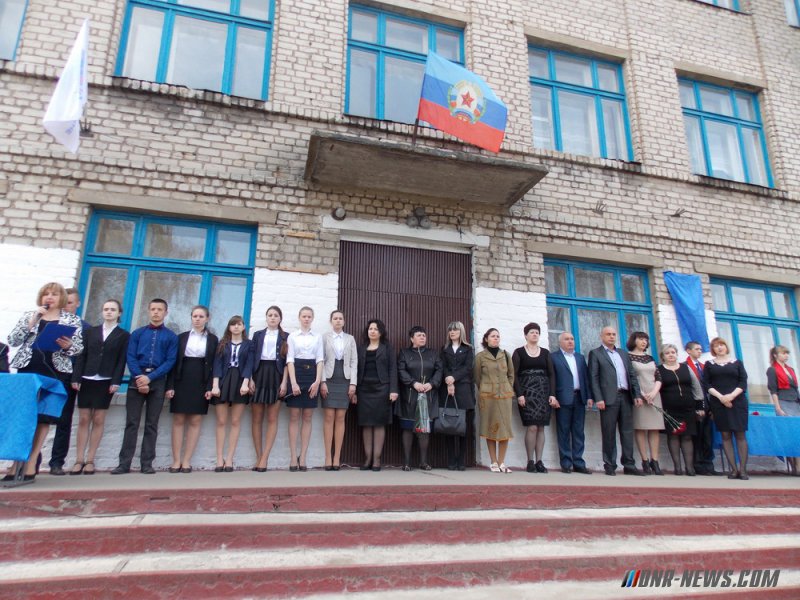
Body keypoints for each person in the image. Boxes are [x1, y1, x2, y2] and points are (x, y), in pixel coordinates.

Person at [6, 282, 83, 481]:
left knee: (43, 416)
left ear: (62, 299)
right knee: (23, 416)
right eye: (46, 294)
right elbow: (13, 340)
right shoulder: (30, 316)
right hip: (28, 369)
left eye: (54, 294)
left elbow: (78, 349)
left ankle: (31, 461)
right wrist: (31, 322)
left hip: (54, 371)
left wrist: (68, 346)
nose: (49, 297)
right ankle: (15, 464)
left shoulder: (71, 320)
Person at [111, 298, 178, 475]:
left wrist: (150, 378)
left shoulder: (171, 337)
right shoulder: (137, 334)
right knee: (131, 423)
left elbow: (170, 361)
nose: (156, 312)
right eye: (153, 309)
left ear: (166, 312)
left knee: (151, 424)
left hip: (157, 381)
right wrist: (140, 377)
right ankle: (124, 463)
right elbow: (130, 356)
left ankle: (146, 463)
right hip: (136, 379)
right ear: (148, 311)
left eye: (160, 309)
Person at [69, 299, 129, 475]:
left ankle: (90, 460)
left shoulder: (123, 335)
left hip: (106, 379)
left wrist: (116, 381)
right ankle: (79, 459)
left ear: (119, 313)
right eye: (106, 309)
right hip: (87, 377)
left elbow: (121, 360)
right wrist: (76, 377)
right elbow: (82, 355)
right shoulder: (90, 331)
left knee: (99, 419)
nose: (109, 312)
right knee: (84, 418)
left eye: (112, 309)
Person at [165, 306, 218, 474]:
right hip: (182, 379)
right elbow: (172, 363)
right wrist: (170, 385)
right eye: (194, 316)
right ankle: (176, 460)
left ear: (207, 319)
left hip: (200, 381)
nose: (197, 319)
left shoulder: (213, 339)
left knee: (195, 420)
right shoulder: (180, 338)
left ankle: (187, 460)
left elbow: (214, 365)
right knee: (179, 419)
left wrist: (210, 386)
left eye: (201, 316)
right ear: (191, 318)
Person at [587, 326, 644, 476]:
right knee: (609, 432)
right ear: (602, 336)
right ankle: (610, 464)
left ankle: (629, 464)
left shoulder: (623, 354)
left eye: (613, 334)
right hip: (608, 399)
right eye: (608, 334)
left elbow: (632, 375)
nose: (611, 337)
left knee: (627, 432)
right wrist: (598, 398)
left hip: (625, 396)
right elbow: (593, 378)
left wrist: (637, 395)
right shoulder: (596, 354)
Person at [48, 287, 91, 476]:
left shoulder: (84, 327)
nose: (67, 306)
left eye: (70, 303)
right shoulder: (48, 321)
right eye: (64, 302)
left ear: (78, 304)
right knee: (36, 418)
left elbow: (83, 356)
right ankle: (28, 461)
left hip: (67, 376)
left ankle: (57, 462)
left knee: (63, 420)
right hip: (46, 372)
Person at [512, 323, 558, 473]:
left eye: (537, 332)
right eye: (531, 332)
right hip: (527, 394)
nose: (534, 334)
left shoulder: (545, 353)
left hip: (543, 393)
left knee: (541, 427)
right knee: (531, 426)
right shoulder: (518, 352)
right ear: (525, 335)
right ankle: (530, 460)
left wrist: (552, 394)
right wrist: (519, 394)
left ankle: (539, 461)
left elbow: (551, 374)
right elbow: (514, 375)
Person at [653, 343, 703, 476]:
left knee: (687, 437)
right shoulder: (659, 370)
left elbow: (696, 386)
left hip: (688, 407)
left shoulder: (686, 368)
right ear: (663, 356)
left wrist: (699, 406)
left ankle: (689, 468)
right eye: (667, 353)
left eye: (673, 352)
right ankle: (678, 468)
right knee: (673, 436)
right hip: (670, 409)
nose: (671, 355)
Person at [210, 315, 253, 472]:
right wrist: (215, 385)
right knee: (221, 421)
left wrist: (246, 383)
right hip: (223, 381)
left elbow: (249, 364)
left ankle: (229, 459)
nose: (236, 327)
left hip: (240, 381)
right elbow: (217, 365)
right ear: (229, 327)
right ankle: (219, 458)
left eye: (239, 324)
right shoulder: (223, 344)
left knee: (235, 421)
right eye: (233, 324)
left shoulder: (249, 344)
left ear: (243, 327)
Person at [703, 337, 749, 480]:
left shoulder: (737, 362)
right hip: (718, 403)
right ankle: (733, 470)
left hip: (738, 402)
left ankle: (743, 470)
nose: (720, 348)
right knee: (725, 435)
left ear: (726, 346)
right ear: (713, 349)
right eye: (716, 346)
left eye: (722, 345)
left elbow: (743, 382)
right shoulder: (709, 364)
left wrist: (730, 396)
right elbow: (706, 384)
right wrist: (722, 398)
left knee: (740, 435)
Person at [397, 326, 442, 471]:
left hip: (428, 395)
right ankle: (407, 462)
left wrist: (432, 383)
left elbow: (439, 370)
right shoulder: (404, 353)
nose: (422, 337)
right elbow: (401, 370)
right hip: (410, 395)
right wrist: (413, 383)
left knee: (424, 429)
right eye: (419, 335)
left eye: (424, 335)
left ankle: (423, 462)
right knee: (408, 428)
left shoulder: (433, 353)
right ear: (412, 339)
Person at [250, 306, 289, 472]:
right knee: (257, 418)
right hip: (259, 374)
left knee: (272, 417)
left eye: (276, 315)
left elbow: (288, 361)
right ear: (266, 318)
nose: (272, 318)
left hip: (276, 375)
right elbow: (251, 358)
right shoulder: (257, 335)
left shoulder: (286, 336)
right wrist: (250, 379)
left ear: (280, 318)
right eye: (270, 315)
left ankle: (265, 458)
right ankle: (258, 456)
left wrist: (284, 382)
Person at [355, 319, 398, 471]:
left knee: (379, 423)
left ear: (381, 332)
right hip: (364, 390)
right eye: (370, 328)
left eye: (375, 329)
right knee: (366, 423)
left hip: (382, 389)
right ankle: (367, 459)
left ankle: (377, 460)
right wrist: (354, 390)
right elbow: (356, 369)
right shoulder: (361, 348)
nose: (372, 331)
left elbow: (393, 369)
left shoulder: (387, 348)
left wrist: (393, 390)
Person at [286, 306, 324, 471]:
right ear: (299, 317)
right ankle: (293, 457)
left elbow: (320, 359)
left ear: (312, 318)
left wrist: (317, 382)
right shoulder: (292, 336)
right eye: (304, 316)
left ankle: (304, 457)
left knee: (308, 416)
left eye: (309, 316)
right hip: (297, 373)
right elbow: (290, 360)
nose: (306, 319)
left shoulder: (318, 337)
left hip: (312, 375)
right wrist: (293, 382)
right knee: (294, 416)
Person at [320, 310, 357, 471]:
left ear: (344, 321)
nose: (338, 321)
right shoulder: (324, 337)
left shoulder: (350, 339)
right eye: (335, 318)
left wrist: (353, 384)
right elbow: (320, 359)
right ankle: (328, 456)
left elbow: (354, 361)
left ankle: (337, 458)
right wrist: (322, 381)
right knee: (329, 416)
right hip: (329, 377)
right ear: (331, 321)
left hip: (345, 378)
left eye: (340, 318)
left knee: (340, 417)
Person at [474, 328, 515, 473]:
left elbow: (511, 374)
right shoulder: (480, 357)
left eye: (498, 336)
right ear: (486, 339)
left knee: (504, 428)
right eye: (493, 336)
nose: (496, 338)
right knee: (490, 427)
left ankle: (502, 461)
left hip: (504, 396)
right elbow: (477, 377)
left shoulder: (506, 355)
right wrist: (486, 388)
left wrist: (507, 388)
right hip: (488, 398)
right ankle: (493, 462)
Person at [551, 332, 592, 474]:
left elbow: (586, 378)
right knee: (563, 431)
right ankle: (566, 463)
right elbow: (553, 379)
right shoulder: (554, 357)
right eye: (567, 339)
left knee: (579, 432)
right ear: (560, 342)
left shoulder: (580, 358)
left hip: (579, 398)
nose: (570, 341)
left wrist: (589, 396)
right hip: (562, 399)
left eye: (572, 339)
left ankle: (579, 462)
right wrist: (553, 397)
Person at [439, 321, 475, 471]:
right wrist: (448, 379)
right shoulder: (444, 349)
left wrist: (454, 378)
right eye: (450, 330)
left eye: (455, 330)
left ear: (461, 332)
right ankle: (451, 460)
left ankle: (461, 460)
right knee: (449, 425)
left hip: (463, 389)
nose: (452, 332)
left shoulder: (468, 349)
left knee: (462, 426)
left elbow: (467, 368)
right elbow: (443, 366)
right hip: (447, 388)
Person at [627, 331, 665, 475]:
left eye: (646, 340)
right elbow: (631, 377)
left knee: (654, 428)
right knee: (641, 428)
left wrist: (654, 393)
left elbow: (658, 376)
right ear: (634, 340)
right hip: (639, 396)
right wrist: (642, 394)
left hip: (654, 395)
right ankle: (644, 460)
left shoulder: (650, 357)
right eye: (641, 339)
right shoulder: (628, 356)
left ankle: (654, 461)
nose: (644, 342)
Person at [685, 341, 718, 476]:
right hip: (694, 405)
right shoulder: (685, 366)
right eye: (697, 349)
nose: (700, 351)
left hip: (707, 404)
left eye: (701, 349)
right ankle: (698, 465)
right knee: (697, 437)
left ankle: (708, 465)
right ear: (688, 350)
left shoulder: (704, 366)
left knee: (708, 437)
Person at [766, 345, 799, 475]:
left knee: (797, 434)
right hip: (783, 402)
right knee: (789, 434)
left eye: (787, 353)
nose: (786, 355)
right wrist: (777, 407)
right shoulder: (772, 370)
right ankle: (795, 467)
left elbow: (795, 388)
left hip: (795, 403)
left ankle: (798, 465)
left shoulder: (790, 369)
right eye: (783, 353)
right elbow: (773, 390)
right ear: (775, 355)